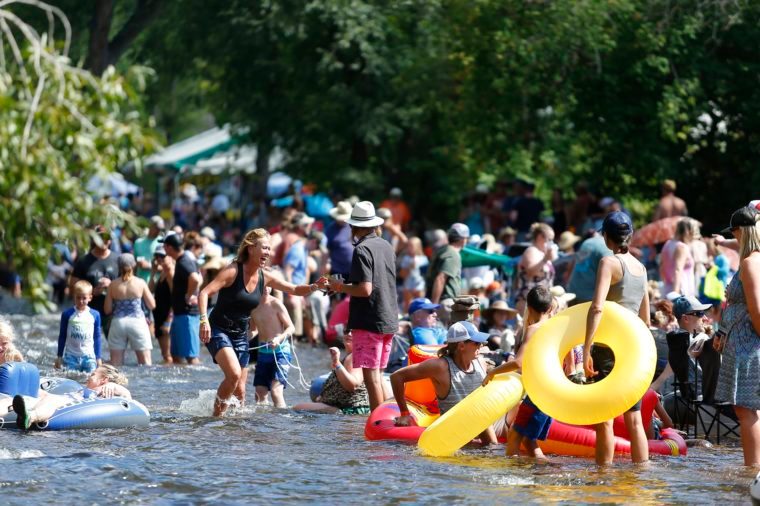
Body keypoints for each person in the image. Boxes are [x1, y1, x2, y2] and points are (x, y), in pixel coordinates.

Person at [199, 228, 326, 416]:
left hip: (241, 335)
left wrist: (315, 286)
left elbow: (294, 289)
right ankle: (215, 419)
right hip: (218, 329)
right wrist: (203, 320)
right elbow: (204, 293)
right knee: (233, 375)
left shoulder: (264, 276)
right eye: (265, 248)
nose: (268, 252)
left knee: (241, 392)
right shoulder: (233, 270)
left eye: (269, 249)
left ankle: (232, 430)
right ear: (251, 249)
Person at [583, 211, 651, 465]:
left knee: (605, 418)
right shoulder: (641, 268)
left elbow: (597, 307)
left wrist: (587, 348)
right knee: (635, 420)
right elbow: (646, 319)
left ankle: (603, 479)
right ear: (630, 236)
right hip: (633, 348)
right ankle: (642, 477)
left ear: (605, 237)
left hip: (608, 348)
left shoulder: (609, 263)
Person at [326, 202, 398, 412]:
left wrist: (339, 286)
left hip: (369, 321)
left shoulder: (361, 249)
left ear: (354, 227)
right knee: (380, 375)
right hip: (389, 318)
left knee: (371, 377)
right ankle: (386, 418)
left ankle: (376, 421)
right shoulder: (386, 245)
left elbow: (365, 290)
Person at [390, 321, 498, 444]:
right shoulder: (440, 366)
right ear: (461, 346)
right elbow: (396, 377)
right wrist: (404, 413)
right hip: (453, 437)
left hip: (479, 427)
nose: (481, 345)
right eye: (477, 343)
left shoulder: (481, 363)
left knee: (492, 447)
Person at [483, 286, 554, 459]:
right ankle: (545, 474)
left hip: (539, 392)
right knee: (529, 440)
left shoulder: (534, 329)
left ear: (528, 308)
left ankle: (512, 476)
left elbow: (518, 362)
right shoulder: (556, 327)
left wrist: (492, 372)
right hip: (551, 391)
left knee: (514, 435)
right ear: (551, 307)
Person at [714, 206, 760, 466]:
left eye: (734, 232)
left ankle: (752, 471)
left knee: (746, 409)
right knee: (750, 409)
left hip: (748, 346)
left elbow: (757, 310)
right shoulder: (755, 257)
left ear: (741, 231)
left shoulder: (750, 262)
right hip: (744, 343)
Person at [11, 365, 131, 430]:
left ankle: (30, 417)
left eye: (93, 374)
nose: (89, 376)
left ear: (104, 379)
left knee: (50, 400)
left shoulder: (104, 390)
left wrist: (114, 385)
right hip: (61, 398)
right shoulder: (83, 389)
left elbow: (128, 398)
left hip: (67, 403)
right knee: (29, 396)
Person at [292, 331, 369, 414]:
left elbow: (353, 385)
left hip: (349, 410)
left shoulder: (354, 357)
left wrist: (337, 363)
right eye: (346, 331)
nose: (349, 334)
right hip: (347, 407)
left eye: (354, 331)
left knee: (296, 409)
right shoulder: (353, 356)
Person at [104, 254, 156, 366]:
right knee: (146, 364)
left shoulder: (113, 285)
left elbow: (107, 310)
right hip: (137, 322)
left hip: (118, 323)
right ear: (134, 265)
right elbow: (152, 305)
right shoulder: (140, 282)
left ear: (118, 266)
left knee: (115, 365)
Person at [69, 226, 119, 334]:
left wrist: (111, 285)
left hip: (113, 314)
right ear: (94, 239)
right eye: (101, 237)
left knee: (114, 349)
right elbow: (73, 289)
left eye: (107, 238)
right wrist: (91, 292)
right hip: (88, 313)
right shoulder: (83, 261)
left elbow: (126, 287)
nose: (105, 240)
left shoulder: (117, 260)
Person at [252, 288, 296, 408]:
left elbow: (291, 327)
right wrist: (242, 341)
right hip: (263, 353)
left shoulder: (276, 304)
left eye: (269, 285)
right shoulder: (252, 306)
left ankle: (282, 423)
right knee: (260, 393)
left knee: (276, 392)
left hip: (281, 352)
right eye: (263, 284)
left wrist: (278, 339)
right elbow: (253, 330)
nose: (266, 288)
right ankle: (263, 423)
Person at [163, 233, 202, 365]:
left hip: (187, 315)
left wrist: (189, 295)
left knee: (191, 357)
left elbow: (195, 279)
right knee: (176, 356)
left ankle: (195, 384)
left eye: (164, 246)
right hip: (180, 314)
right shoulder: (182, 260)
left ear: (169, 247)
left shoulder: (184, 260)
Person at [55, 280, 102, 372]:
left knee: (91, 380)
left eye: (84, 298)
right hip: (70, 356)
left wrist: (98, 358)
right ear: (74, 297)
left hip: (89, 357)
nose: (81, 301)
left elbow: (97, 337)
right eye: (78, 298)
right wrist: (59, 356)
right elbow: (62, 335)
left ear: (90, 298)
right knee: (70, 380)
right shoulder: (67, 314)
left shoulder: (95, 315)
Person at [514, 223, 557, 314]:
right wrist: (546, 259)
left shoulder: (542, 253)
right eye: (549, 239)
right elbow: (531, 272)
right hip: (528, 302)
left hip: (541, 303)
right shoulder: (531, 251)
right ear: (540, 237)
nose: (551, 242)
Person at [426, 223, 468, 304]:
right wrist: (434, 305)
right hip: (445, 302)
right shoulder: (453, 254)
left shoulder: (443, 250)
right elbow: (440, 279)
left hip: (440, 300)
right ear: (463, 239)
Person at [567, 230, 612, 304]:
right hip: (589, 298)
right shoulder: (606, 247)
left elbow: (575, 265)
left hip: (573, 291)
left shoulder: (586, 243)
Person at [149, 247, 174, 364]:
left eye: (162, 256)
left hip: (166, 316)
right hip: (158, 315)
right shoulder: (162, 272)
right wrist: (153, 272)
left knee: (168, 355)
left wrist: (169, 321)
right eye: (157, 256)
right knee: (165, 355)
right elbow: (150, 290)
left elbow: (175, 297)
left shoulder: (170, 273)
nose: (159, 259)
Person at [660, 218, 697, 297]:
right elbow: (678, 270)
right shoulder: (682, 247)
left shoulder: (667, 244)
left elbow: (661, 267)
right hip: (681, 290)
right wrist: (675, 294)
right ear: (688, 231)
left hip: (668, 287)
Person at [398, 237, 429, 312]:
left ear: (418, 247)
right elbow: (402, 275)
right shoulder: (406, 258)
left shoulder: (423, 259)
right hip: (408, 286)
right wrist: (409, 268)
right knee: (407, 305)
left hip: (419, 285)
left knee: (420, 305)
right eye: (408, 246)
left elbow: (425, 274)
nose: (409, 248)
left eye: (411, 246)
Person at [325, 201, 354, 280]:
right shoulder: (330, 229)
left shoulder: (353, 226)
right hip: (337, 270)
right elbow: (326, 250)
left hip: (354, 269)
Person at [133, 216, 165, 283]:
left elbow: (166, 267)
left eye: (160, 229)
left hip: (156, 286)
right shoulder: (138, 243)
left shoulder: (163, 243)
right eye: (157, 228)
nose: (158, 231)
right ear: (151, 226)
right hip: (139, 285)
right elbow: (134, 265)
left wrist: (149, 266)